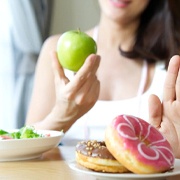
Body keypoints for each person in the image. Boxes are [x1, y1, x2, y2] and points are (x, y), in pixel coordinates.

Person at [26, 0, 180, 158]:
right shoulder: (55, 49)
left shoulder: (174, 64)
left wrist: (176, 153)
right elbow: (24, 148)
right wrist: (61, 116)